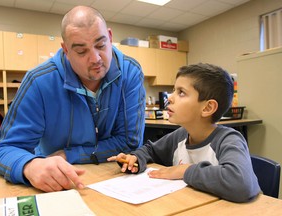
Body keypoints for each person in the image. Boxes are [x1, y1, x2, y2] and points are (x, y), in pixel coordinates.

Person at [0, 6, 145, 192]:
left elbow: (129, 143)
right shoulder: (39, 81)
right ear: (66, 50)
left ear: (110, 37)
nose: (96, 58)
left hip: (114, 179)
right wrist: (29, 166)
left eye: (101, 45)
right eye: (82, 51)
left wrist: (69, 154)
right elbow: (4, 149)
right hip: (58, 181)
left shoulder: (130, 73)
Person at [108, 63, 261, 203]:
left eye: (181, 93)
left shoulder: (228, 140)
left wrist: (185, 170)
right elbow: (151, 150)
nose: (170, 98)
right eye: (174, 90)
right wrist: (136, 158)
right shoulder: (181, 135)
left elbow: (242, 184)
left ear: (207, 108)